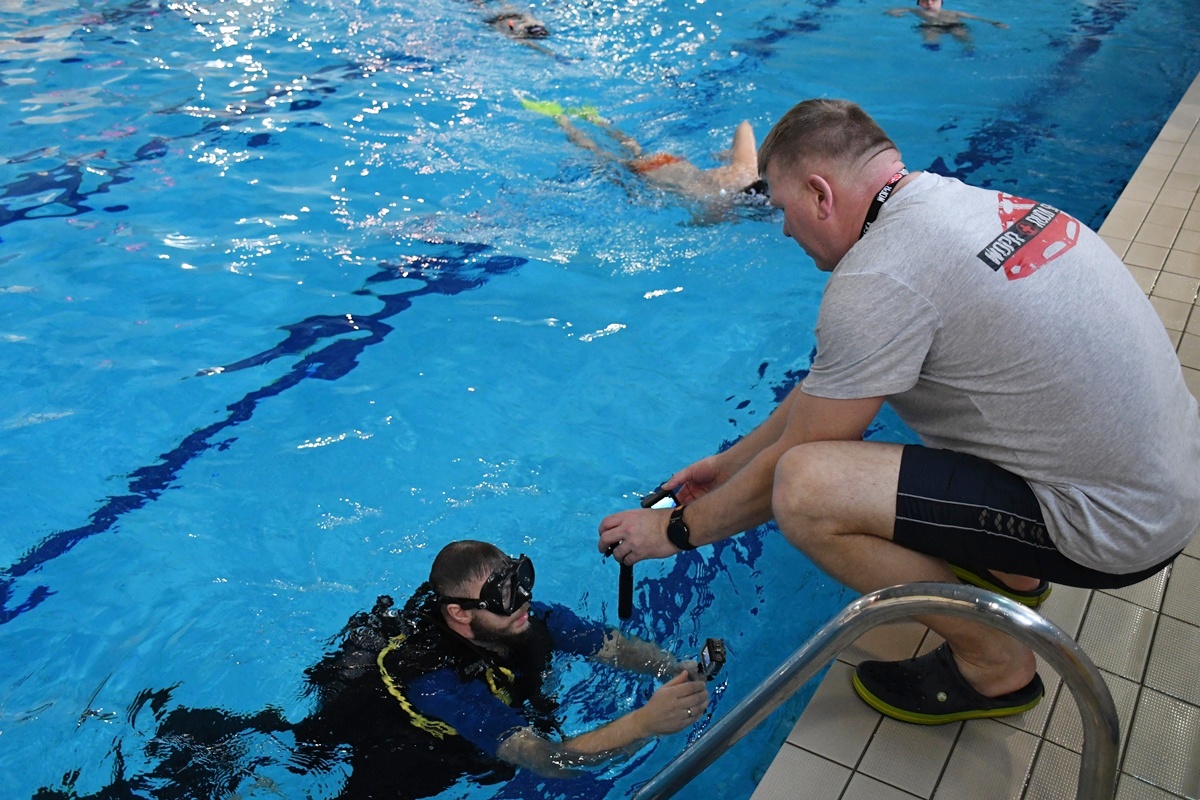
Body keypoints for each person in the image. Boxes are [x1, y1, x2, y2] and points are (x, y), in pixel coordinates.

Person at [597, 98, 1200, 726]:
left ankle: (996, 664)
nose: (782, 230)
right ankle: (1014, 574)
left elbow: (801, 458)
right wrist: (726, 464)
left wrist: (673, 532)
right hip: (1167, 479)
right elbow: (836, 388)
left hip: (1119, 528)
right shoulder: (953, 203)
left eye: (783, 209)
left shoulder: (879, 277)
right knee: (961, 394)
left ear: (821, 194)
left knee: (806, 490)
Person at [36, 541, 707, 799]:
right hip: (387, 748)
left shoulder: (530, 618)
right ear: (460, 616)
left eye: (522, 579)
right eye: (503, 595)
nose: (523, 599)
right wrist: (644, 723)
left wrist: (671, 667)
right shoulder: (442, 684)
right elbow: (552, 763)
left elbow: (611, 646)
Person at [523, 99, 761, 202]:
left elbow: (745, 126)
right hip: (651, 176)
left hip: (670, 161)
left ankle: (595, 119)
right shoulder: (722, 205)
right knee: (598, 153)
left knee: (634, 147)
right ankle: (559, 118)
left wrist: (726, 155)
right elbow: (701, 224)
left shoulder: (748, 169)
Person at [887, 0, 1006, 49]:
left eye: (934, 0)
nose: (929, 3)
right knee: (930, 36)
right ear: (919, 4)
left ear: (941, 2)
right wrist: (894, 14)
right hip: (931, 27)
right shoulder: (916, 11)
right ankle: (932, 49)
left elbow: (974, 17)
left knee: (962, 36)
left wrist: (994, 22)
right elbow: (891, 10)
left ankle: (969, 50)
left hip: (954, 25)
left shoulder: (953, 12)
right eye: (924, 1)